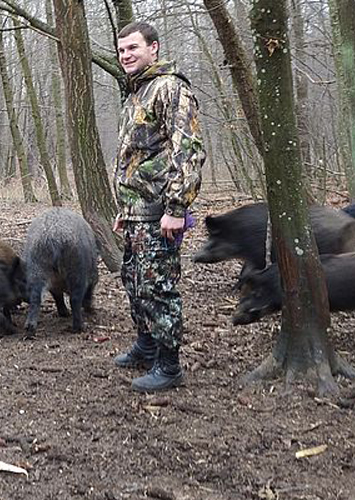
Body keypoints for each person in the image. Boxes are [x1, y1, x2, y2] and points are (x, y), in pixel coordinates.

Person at [111, 21, 204, 392]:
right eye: (121, 51)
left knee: (158, 287)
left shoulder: (170, 89)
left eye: (133, 48)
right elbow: (135, 158)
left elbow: (189, 151)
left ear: (154, 48)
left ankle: (169, 365)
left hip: (161, 214)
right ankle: (146, 345)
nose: (126, 56)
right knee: (134, 282)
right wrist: (124, 209)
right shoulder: (136, 94)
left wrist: (177, 208)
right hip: (136, 212)